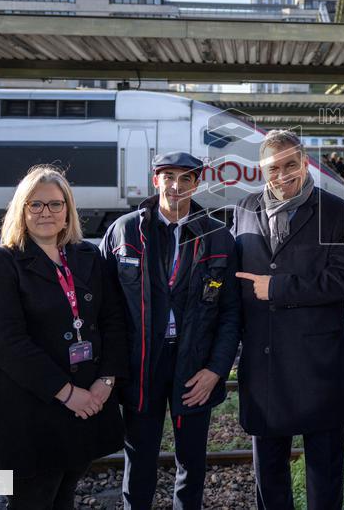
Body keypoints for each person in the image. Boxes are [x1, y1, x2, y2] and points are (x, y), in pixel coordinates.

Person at [0, 166, 127, 509]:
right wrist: (67, 392)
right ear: (22, 210)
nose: (46, 212)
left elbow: (114, 321)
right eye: (36, 204)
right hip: (33, 412)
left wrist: (106, 380)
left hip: (86, 406)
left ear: (68, 211)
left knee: (65, 496)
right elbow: (6, 343)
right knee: (34, 499)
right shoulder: (1, 263)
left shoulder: (88, 256)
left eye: (55, 204)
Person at [100, 151, 240, 509]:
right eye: (169, 177)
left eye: (186, 179)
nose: (176, 186)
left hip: (194, 365)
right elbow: (106, 308)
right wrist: (113, 369)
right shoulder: (125, 231)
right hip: (141, 365)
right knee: (139, 458)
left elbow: (230, 313)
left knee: (191, 462)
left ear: (197, 183)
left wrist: (216, 370)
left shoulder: (218, 236)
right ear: (156, 180)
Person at [232, 130, 344, 510]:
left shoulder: (338, 213)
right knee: (269, 477)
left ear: (305, 163)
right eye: (275, 168)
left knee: (324, 476)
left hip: (317, 365)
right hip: (265, 363)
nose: (284, 174)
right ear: (262, 170)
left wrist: (278, 288)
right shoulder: (243, 210)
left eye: (292, 164)